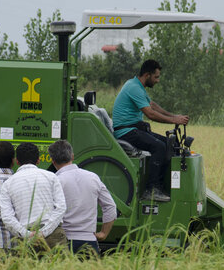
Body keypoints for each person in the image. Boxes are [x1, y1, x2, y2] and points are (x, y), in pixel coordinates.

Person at [112, 59, 189, 202]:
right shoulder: (134, 87)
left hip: (133, 129)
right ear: (147, 75)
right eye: (156, 77)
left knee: (168, 144)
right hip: (125, 132)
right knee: (159, 147)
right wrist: (174, 121)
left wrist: (174, 116)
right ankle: (152, 189)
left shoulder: (137, 86)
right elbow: (150, 114)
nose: (158, 80)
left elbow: (152, 105)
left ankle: (163, 185)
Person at [48, 140, 117, 256]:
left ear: (52, 160)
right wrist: (104, 233)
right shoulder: (93, 177)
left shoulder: (54, 181)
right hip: (89, 240)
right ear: (72, 156)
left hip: (63, 241)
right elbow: (110, 206)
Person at [0, 142, 67, 249]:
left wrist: (27, 234)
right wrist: (43, 232)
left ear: (17, 161)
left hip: (25, 239)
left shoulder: (7, 184)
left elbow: (7, 218)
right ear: (38, 160)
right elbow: (61, 208)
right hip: (53, 235)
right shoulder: (51, 177)